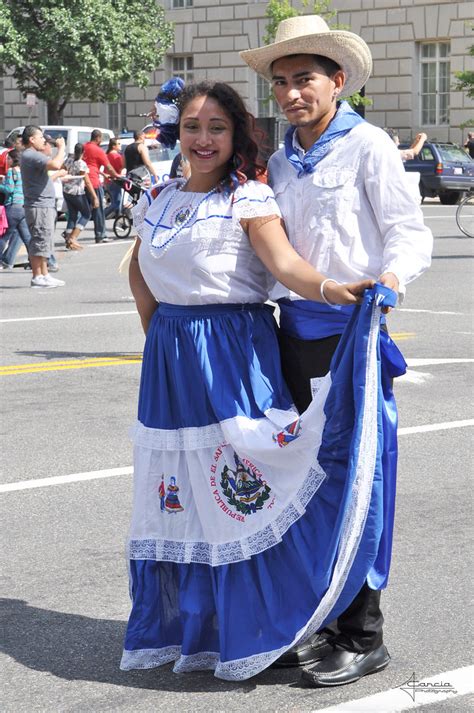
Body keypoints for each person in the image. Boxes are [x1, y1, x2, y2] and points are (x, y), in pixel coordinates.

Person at [120, 79, 395, 683]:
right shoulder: (158, 198)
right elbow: (140, 273)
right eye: (192, 126)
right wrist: (163, 343)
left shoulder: (248, 198)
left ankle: (281, 621)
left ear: (236, 135)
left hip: (236, 358)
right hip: (173, 364)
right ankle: (203, 624)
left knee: (245, 492)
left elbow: (286, 265)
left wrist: (333, 290)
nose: (203, 138)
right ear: (176, 133)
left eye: (217, 128)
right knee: (185, 495)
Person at [241, 15, 433, 686]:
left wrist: (391, 277)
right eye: (283, 82)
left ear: (338, 80)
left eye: (306, 80)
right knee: (305, 484)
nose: (293, 93)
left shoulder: (370, 145)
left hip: (352, 337)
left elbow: (409, 232)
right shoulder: (282, 157)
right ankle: (321, 612)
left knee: (361, 480)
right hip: (292, 334)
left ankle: (364, 631)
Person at [20, 125, 66, 288]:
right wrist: (61, 148)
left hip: (43, 203)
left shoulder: (32, 155)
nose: (43, 140)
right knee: (39, 240)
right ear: (32, 139)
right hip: (39, 205)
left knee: (44, 240)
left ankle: (44, 274)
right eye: (40, 137)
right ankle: (37, 276)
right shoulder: (30, 155)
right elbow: (56, 164)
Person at [82, 129, 120, 243]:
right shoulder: (98, 150)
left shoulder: (84, 147)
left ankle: (70, 232)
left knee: (84, 210)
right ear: (98, 138)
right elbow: (108, 166)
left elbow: (91, 165)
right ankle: (101, 235)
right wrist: (116, 175)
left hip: (83, 180)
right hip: (94, 181)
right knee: (98, 210)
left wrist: (102, 173)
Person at [62, 142, 97, 250]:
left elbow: (62, 169)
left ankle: (68, 239)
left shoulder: (68, 160)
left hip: (66, 190)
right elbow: (87, 181)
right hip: (77, 192)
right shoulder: (82, 164)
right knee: (86, 214)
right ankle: (73, 237)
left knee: (72, 215)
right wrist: (94, 196)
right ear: (83, 152)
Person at [0, 149, 31, 270]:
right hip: (23, 206)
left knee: (4, 236)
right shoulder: (25, 171)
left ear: (13, 159)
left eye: (8, 158)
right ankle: (35, 260)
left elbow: (9, 189)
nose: (6, 160)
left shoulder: (11, 171)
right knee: (27, 237)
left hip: (13, 206)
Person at [104, 138, 124, 218]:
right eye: (118, 144)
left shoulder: (108, 155)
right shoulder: (116, 156)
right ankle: (101, 215)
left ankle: (118, 218)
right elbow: (120, 167)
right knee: (117, 203)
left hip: (108, 181)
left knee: (114, 202)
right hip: (115, 181)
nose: (120, 145)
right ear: (113, 146)